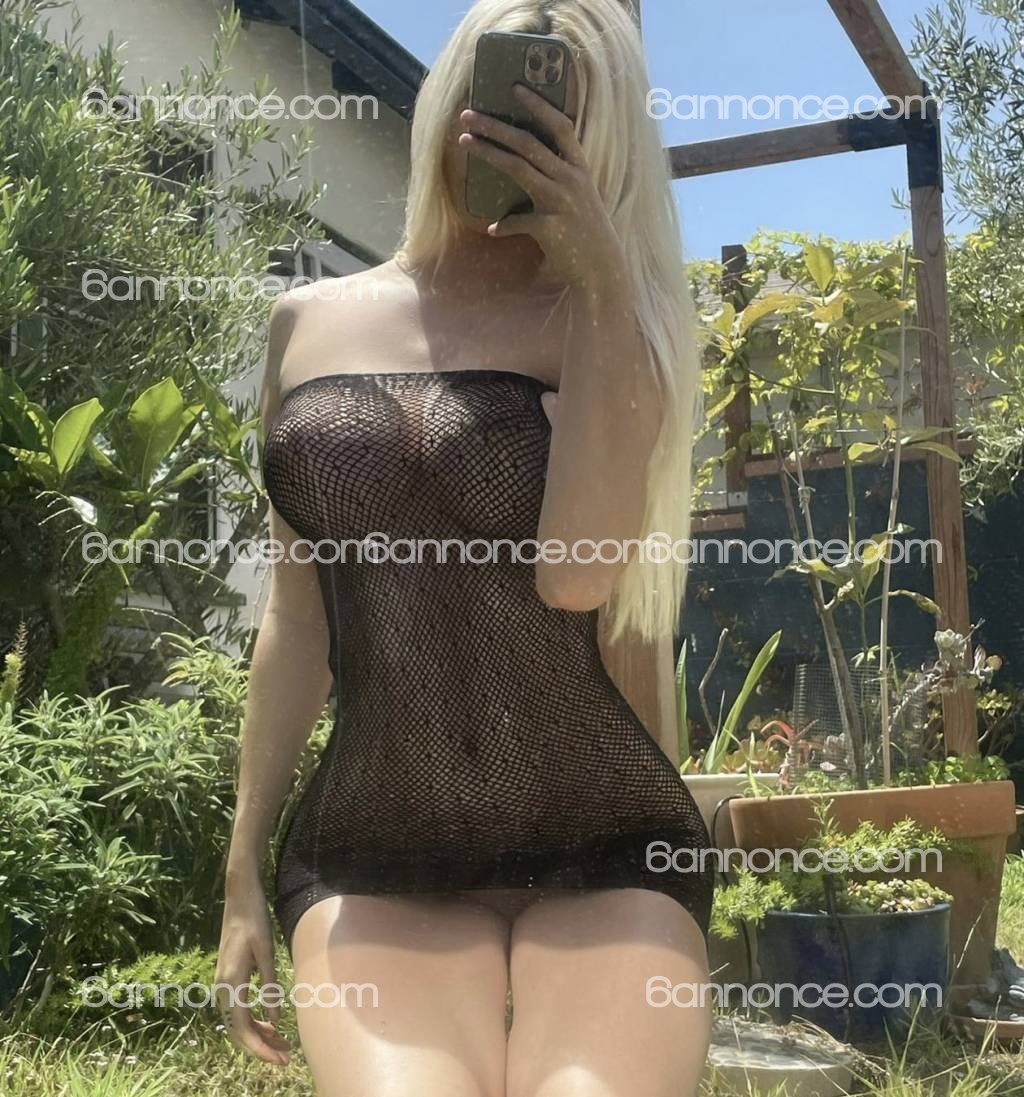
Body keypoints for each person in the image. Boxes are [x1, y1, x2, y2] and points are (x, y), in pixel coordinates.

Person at [215, 0, 713, 1093]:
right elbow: (297, 617)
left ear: (604, 141)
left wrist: (602, 284)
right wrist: (242, 868)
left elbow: (577, 576)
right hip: (375, 844)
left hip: (601, 839)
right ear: (450, 91)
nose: (514, 126)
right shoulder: (307, 322)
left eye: (558, 108)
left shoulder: (617, 328)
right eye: (498, 86)